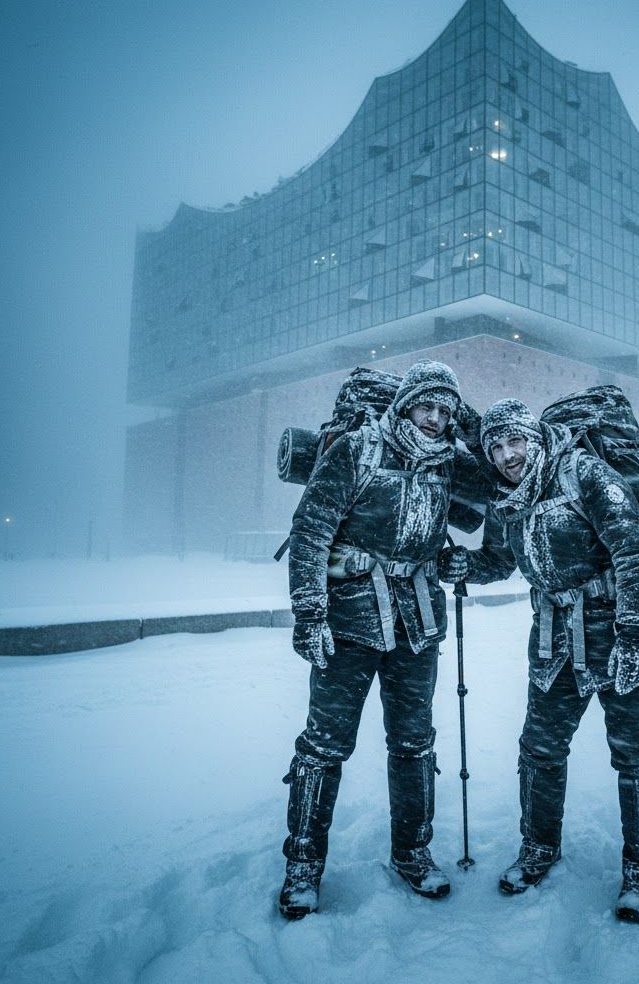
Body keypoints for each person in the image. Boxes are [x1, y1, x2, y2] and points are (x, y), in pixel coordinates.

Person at [438, 398, 639, 922]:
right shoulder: (506, 497)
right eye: (495, 446)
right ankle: (539, 848)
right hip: (553, 640)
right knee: (540, 749)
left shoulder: (585, 472)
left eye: (514, 441)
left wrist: (634, 634)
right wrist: (465, 563)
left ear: (535, 437)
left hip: (618, 630)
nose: (505, 455)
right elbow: (501, 560)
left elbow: (634, 551)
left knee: (637, 757)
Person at [280, 360, 469, 919]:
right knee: (324, 746)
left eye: (444, 410)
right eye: (426, 405)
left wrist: (460, 559)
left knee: (414, 743)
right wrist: (309, 614)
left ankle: (412, 852)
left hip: (418, 626)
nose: (434, 418)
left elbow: (497, 499)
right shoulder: (357, 449)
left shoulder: (448, 465)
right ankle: (303, 865)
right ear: (405, 402)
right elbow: (310, 530)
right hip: (348, 624)